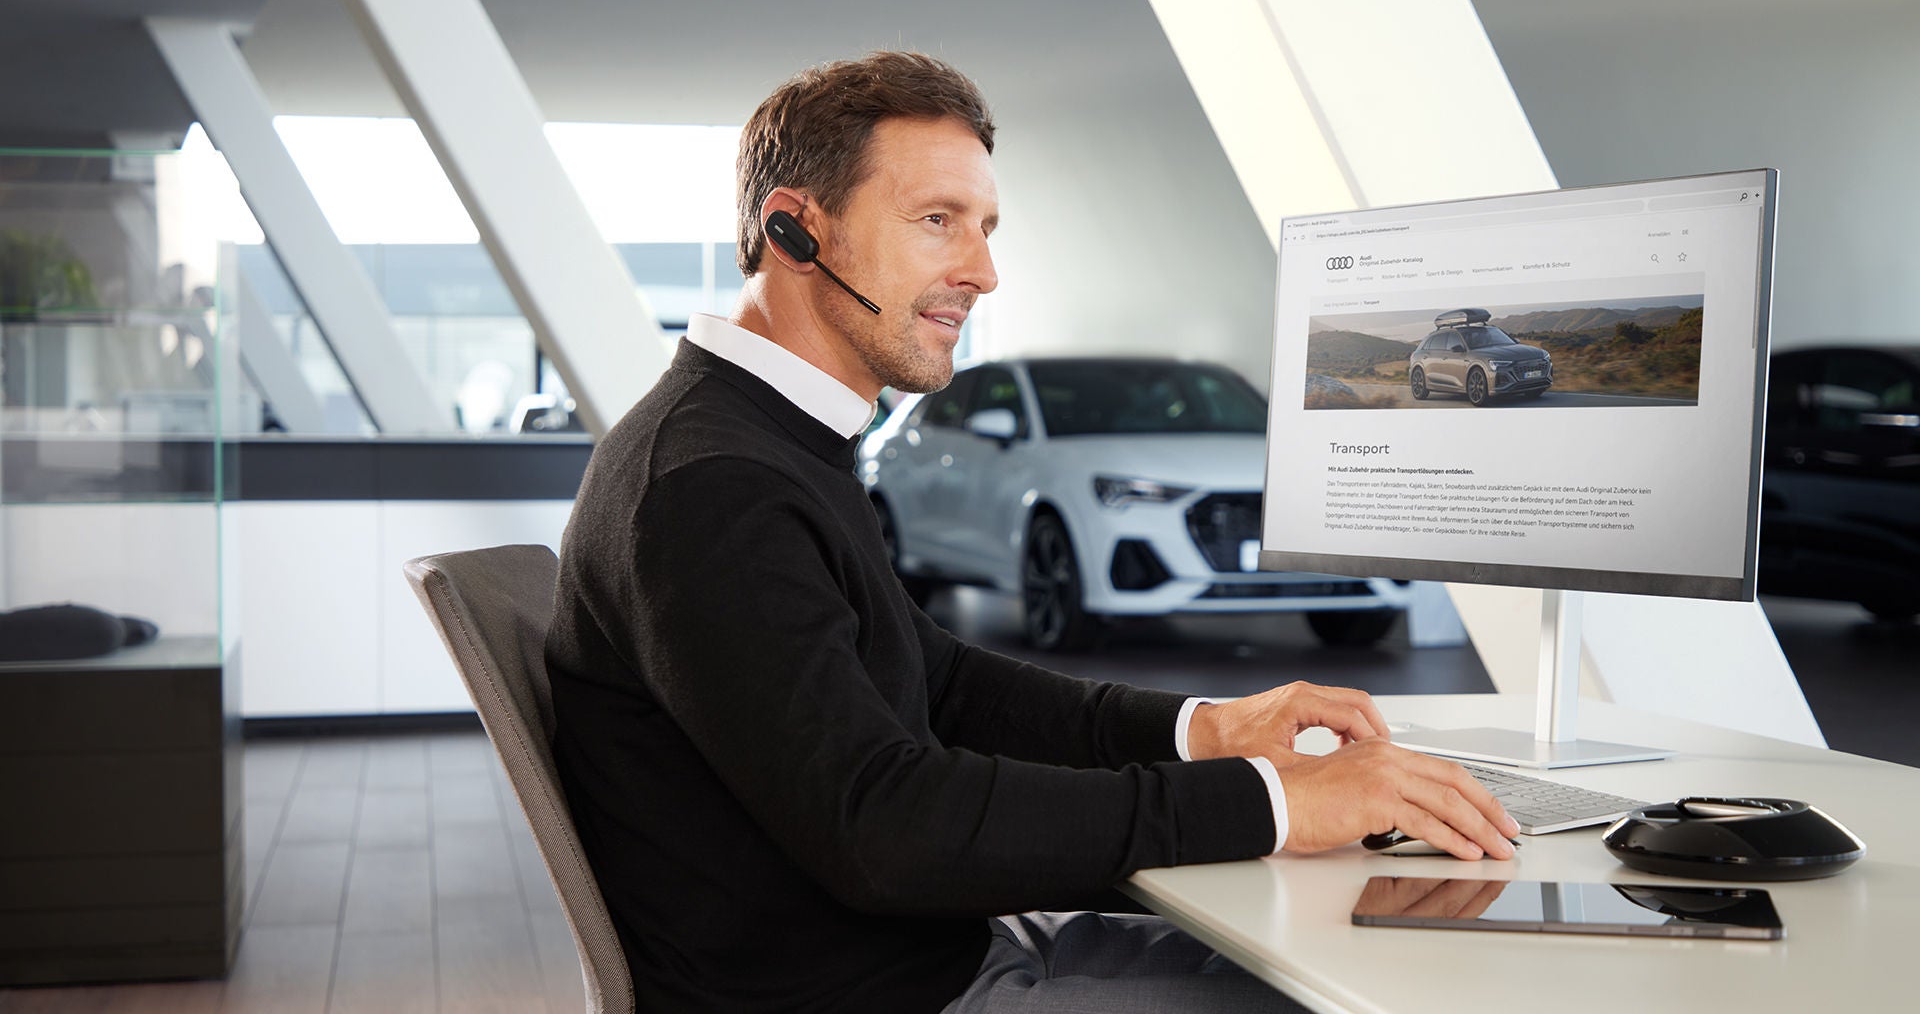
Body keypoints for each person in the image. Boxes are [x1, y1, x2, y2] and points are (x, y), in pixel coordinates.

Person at [544, 50, 1518, 1013]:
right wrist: (1277, 802)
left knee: (1357, 956)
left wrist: (1206, 731)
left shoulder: (774, 440)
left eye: (985, 228)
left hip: (931, 955)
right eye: (937, 222)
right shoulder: (711, 485)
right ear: (796, 232)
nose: (982, 271)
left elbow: (942, 684)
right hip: (883, 993)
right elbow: (885, 828)